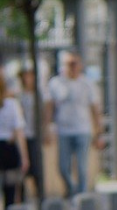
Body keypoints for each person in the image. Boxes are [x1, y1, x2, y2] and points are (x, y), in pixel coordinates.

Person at [43, 52, 104, 199]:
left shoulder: (87, 84)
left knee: (82, 167)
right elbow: (49, 107)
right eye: (70, 64)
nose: (73, 67)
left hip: (83, 130)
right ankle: (72, 189)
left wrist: (99, 132)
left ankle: (81, 198)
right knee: (63, 167)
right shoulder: (56, 83)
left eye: (75, 64)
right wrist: (47, 128)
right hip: (64, 131)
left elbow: (95, 109)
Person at [0, 71, 29, 210]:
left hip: (7, 148)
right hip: (8, 148)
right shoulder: (12, 104)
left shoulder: (11, 103)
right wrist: (24, 156)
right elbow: (19, 132)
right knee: (10, 188)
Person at [17, 67, 44, 201]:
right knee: (21, 168)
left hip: (34, 135)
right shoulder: (19, 95)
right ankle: (21, 198)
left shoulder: (38, 95)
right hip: (22, 135)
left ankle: (40, 195)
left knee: (36, 166)